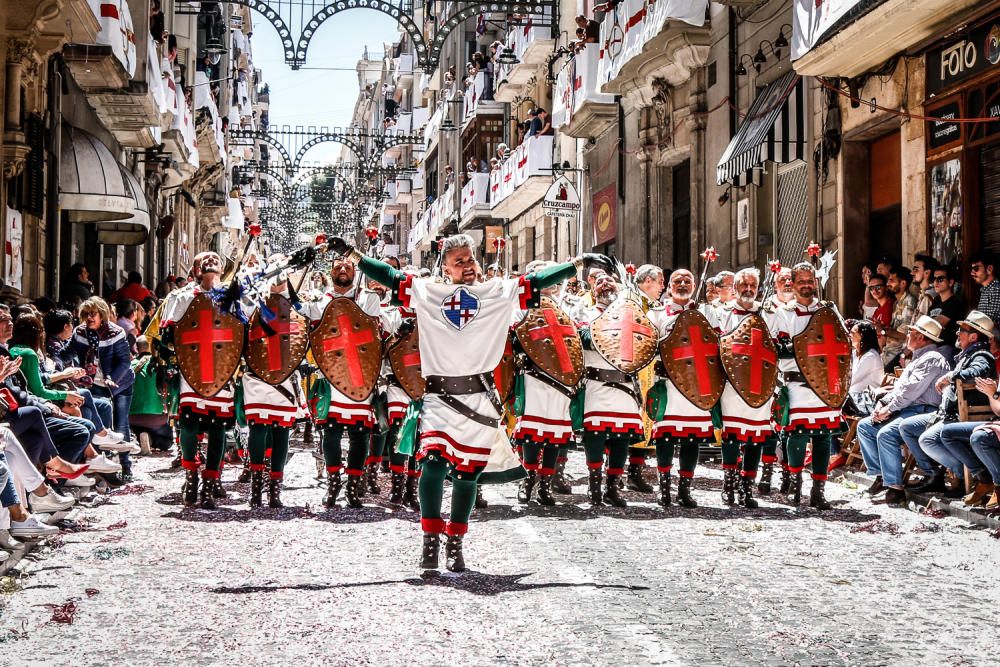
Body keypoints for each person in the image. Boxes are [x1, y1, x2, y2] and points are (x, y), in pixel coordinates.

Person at [328, 233, 582, 572]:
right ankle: (430, 539)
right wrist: (352, 254)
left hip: (479, 399)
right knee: (432, 464)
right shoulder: (429, 291)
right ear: (445, 267)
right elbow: (390, 277)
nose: (467, 266)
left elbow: (536, 281)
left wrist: (578, 264)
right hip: (439, 399)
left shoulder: (496, 291)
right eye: (458, 261)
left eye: (470, 259)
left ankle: (455, 542)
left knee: (467, 475)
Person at [159, 251, 237, 508]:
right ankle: (191, 475)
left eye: (215, 260)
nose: (211, 263)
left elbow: (240, 333)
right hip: (192, 369)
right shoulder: (180, 297)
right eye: (205, 260)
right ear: (195, 269)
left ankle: (210, 480)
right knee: (189, 423)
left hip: (221, 370)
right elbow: (168, 338)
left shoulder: (230, 297)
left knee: (217, 428)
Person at [771, 262, 851, 508]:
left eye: (810, 281)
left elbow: (843, 343)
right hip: (798, 385)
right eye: (801, 281)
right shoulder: (783, 314)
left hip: (827, 386)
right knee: (798, 433)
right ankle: (796, 485)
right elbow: (780, 351)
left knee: (823, 436)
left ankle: (818, 491)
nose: (807, 285)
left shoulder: (829, 310)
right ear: (792, 285)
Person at [896, 312, 996, 501]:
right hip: (946, 414)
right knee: (907, 427)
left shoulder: (982, 354)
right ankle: (934, 474)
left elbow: (978, 371)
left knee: (929, 439)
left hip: (962, 415)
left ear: (974, 337)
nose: (957, 333)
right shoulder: (968, 354)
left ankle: (966, 475)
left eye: (962, 331)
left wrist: (950, 377)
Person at [856, 316, 952, 505]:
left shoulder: (932, 358)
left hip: (924, 411)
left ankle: (895, 488)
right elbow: (900, 389)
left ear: (922, 338)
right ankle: (882, 476)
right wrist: (882, 405)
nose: (907, 335)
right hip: (908, 409)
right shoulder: (917, 358)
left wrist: (888, 409)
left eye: (911, 332)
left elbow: (910, 391)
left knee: (886, 434)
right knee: (865, 426)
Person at [511, 260, 578, 506]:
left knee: (556, 434)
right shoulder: (521, 307)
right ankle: (528, 480)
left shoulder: (566, 308)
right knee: (532, 432)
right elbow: (515, 336)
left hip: (562, 380)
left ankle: (546, 485)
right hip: (534, 376)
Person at [647, 268, 713, 508]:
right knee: (665, 436)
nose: (683, 284)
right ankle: (664, 488)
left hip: (698, 386)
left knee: (692, 438)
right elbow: (649, 346)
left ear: (694, 285)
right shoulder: (656, 314)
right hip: (669, 384)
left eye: (687, 280)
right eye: (677, 280)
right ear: (668, 286)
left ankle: (685, 490)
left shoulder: (706, 313)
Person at [713, 268, 773, 508]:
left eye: (753, 286)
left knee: (756, 437)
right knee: (732, 436)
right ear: (734, 288)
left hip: (761, 383)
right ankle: (729, 485)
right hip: (732, 384)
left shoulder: (768, 313)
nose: (748, 289)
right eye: (743, 285)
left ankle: (747, 488)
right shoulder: (722, 313)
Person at [71, 298, 137, 479]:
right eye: (85, 314)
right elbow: (70, 351)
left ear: (102, 314)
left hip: (120, 383)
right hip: (93, 383)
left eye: (93, 314)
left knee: (121, 423)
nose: (89, 318)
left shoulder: (116, 332)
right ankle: (105, 468)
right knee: (102, 426)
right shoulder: (80, 332)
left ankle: (126, 465)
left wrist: (111, 378)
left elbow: (124, 361)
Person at [882, 267, 917, 365]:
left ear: (903, 283)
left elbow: (904, 334)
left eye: (891, 281)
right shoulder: (897, 303)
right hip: (889, 353)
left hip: (899, 355)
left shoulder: (910, 302)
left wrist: (882, 330)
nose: (888, 284)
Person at [928, 265, 965, 349]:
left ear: (951, 282)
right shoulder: (936, 300)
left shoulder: (955, 302)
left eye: (940, 279)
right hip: (931, 345)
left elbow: (933, 325)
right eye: (934, 279)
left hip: (945, 347)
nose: (936, 282)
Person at [849, 320, 884, 394]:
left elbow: (851, 380)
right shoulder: (854, 353)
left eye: (853, 333)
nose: (849, 335)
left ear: (861, 336)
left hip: (865, 399)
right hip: (853, 395)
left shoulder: (871, 357)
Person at [970, 251, 1000, 326]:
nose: (972, 273)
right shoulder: (986, 290)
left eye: (976, 269)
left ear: (989, 269)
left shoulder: (996, 290)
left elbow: (989, 323)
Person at [911, 254, 939, 320]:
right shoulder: (925, 293)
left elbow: (919, 326)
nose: (912, 273)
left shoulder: (928, 296)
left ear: (927, 273)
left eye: (916, 270)